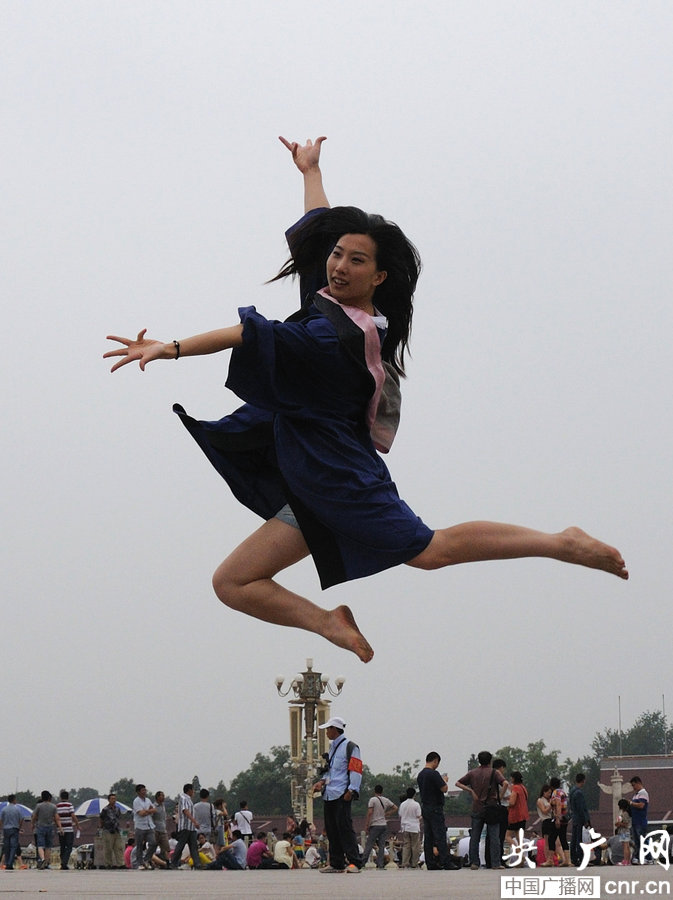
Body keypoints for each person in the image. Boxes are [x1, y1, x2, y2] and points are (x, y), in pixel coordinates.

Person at [104, 135, 628, 665]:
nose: (338, 266)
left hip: (338, 476)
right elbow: (318, 224)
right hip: (307, 475)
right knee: (234, 582)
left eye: (356, 261)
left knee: (433, 551)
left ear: (377, 277)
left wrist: (169, 348)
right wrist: (310, 172)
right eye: (337, 255)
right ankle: (328, 621)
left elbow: (248, 334)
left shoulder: (336, 335)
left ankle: (561, 543)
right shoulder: (331, 300)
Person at [313, 715, 363, 873]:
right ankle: (336, 863)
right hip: (329, 793)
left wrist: (352, 790)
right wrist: (321, 782)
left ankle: (355, 862)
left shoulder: (350, 747)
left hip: (342, 793)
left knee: (345, 828)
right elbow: (330, 771)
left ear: (335, 729)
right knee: (332, 829)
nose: (326, 732)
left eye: (328, 729)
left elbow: (356, 770)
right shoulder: (333, 748)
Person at [456, 751, 506, 870]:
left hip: (477, 807)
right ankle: (495, 863)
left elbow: (458, 783)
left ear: (479, 760)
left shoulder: (472, 773)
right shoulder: (494, 772)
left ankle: (474, 862)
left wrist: (471, 791)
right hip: (492, 807)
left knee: (475, 837)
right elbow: (505, 783)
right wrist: (500, 797)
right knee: (494, 837)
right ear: (490, 761)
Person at [417, 752, 454, 870]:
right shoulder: (434, 774)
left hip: (425, 807)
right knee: (440, 835)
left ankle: (430, 863)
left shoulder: (420, 775)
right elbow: (444, 789)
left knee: (428, 837)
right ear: (435, 760)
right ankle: (446, 862)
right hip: (435, 808)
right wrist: (444, 780)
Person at [361, 784, 397, 868]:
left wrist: (367, 825)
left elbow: (370, 813)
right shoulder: (386, 800)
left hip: (375, 825)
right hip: (383, 825)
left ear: (374, 791)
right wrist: (388, 813)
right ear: (382, 791)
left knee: (369, 844)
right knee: (382, 846)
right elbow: (395, 807)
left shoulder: (372, 800)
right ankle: (380, 864)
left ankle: (363, 862)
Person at [170, 784, 203, 869]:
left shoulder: (189, 800)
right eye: (193, 790)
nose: (194, 792)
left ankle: (197, 863)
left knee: (194, 846)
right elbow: (185, 811)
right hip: (185, 826)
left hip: (191, 828)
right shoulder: (183, 798)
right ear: (189, 790)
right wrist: (194, 821)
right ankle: (173, 863)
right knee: (180, 846)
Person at [31, 790, 63, 869]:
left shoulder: (38, 806)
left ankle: (42, 859)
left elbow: (34, 816)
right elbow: (57, 818)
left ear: (42, 797)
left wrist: (32, 824)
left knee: (40, 845)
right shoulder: (53, 806)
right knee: (48, 846)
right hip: (50, 827)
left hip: (40, 827)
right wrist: (60, 828)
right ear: (49, 797)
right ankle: (46, 863)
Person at [132, 783, 156, 869]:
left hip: (149, 825)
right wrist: (149, 811)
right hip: (140, 826)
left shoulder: (148, 800)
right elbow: (141, 813)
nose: (145, 792)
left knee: (153, 843)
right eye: (143, 790)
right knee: (140, 846)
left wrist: (146, 811)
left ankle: (146, 859)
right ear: (138, 792)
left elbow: (154, 809)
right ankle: (140, 863)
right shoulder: (136, 801)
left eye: (145, 790)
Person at [569, 773, 591, 866]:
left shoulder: (572, 791)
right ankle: (580, 858)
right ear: (583, 780)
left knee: (574, 839)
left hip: (574, 818)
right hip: (579, 819)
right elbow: (581, 808)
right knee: (579, 839)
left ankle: (574, 858)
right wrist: (585, 820)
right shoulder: (579, 793)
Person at [548, 776, 570, 867]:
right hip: (564, 818)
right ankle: (567, 860)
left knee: (551, 838)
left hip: (558, 818)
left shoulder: (555, 793)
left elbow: (558, 804)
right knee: (563, 839)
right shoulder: (562, 792)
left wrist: (557, 818)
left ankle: (550, 860)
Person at [398, 786, 422, 868]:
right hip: (414, 827)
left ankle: (405, 862)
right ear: (414, 794)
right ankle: (414, 863)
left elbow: (400, 814)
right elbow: (418, 815)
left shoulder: (402, 804)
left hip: (405, 827)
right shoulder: (416, 804)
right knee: (415, 846)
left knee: (406, 845)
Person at [55, 790, 79, 870]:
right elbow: (73, 815)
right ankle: (64, 862)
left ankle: (63, 862)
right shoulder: (69, 805)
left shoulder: (57, 806)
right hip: (69, 829)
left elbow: (56, 817)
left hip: (60, 829)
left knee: (62, 846)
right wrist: (77, 824)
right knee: (69, 846)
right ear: (68, 797)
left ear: (60, 797)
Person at [100, 793, 124, 868]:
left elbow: (118, 818)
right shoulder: (105, 809)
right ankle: (108, 864)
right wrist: (102, 827)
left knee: (119, 847)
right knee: (108, 848)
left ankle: (120, 864)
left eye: (115, 799)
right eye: (112, 799)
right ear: (109, 800)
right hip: (108, 830)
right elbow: (101, 819)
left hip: (116, 830)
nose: (114, 800)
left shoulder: (118, 809)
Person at [0, 795, 23, 870]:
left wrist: (2, 827)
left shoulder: (4, 809)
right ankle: (10, 863)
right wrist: (19, 827)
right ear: (14, 800)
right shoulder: (17, 809)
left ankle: (6, 863)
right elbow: (21, 818)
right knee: (13, 847)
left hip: (6, 829)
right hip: (14, 829)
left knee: (7, 847)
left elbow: (1, 819)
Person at [629, 776, 649, 860]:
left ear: (639, 783)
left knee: (643, 840)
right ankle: (637, 857)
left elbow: (641, 805)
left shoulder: (643, 793)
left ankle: (648, 858)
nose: (633, 787)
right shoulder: (635, 795)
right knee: (637, 842)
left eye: (634, 785)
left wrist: (631, 803)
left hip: (640, 821)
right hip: (635, 821)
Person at [151, 791, 172, 867]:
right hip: (155, 830)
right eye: (162, 796)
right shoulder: (153, 806)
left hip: (163, 830)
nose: (163, 797)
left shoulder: (163, 806)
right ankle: (152, 862)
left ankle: (167, 863)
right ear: (157, 797)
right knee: (153, 847)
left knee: (166, 848)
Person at [536, 785, 555, 866]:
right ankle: (548, 859)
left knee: (552, 841)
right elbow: (544, 811)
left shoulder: (549, 800)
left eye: (550, 793)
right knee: (547, 842)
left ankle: (551, 859)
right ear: (544, 792)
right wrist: (550, 805)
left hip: (551, 820)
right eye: (548, 793)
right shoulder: (540, 800)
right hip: (546, 821)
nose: (549, 794)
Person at [616, 799, 632, 865]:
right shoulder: (627, 813)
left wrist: (619, 824)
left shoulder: (625, 814)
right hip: (626, 831)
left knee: (625, 846)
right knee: (627, 846)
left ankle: (625, 860)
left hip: (624, 831)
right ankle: (628, 860)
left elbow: (626, 824)